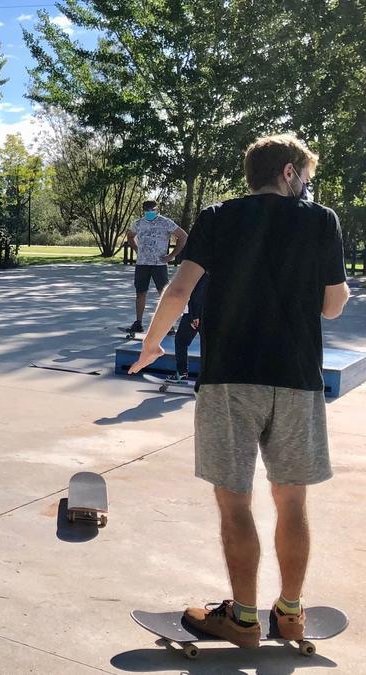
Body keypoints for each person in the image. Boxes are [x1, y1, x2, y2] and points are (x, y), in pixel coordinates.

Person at [129, 134, 350, 648]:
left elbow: (179, 288)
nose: (308, 186)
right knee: (292, 504)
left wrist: (152, 345)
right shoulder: (321, 220)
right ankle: (291, 614)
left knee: (235, 505)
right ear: (290, 172)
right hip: (297, 380)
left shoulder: (219, 216)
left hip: (229, 378)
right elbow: (334, 307)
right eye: (307, 177)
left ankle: (243, 619)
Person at [126, 200, 188, 332]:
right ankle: (138, 322)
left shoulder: (165, 222)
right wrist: (137, 249)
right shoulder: (138, 223)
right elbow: (130, 236)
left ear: (157, 209)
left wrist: (172, 255)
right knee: (140, 292)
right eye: (147, 210)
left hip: (159, 264)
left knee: (163, 293)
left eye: (152, 209)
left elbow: (183, 236)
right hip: (142, 264)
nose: (150, 212)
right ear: (143, 210)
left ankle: (168, 324)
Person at [168, 273, 207, 383]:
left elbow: (196, 292)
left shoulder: (200, 267)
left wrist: (194, 315)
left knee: (181, 341)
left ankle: (182, 373)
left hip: (197, 313)